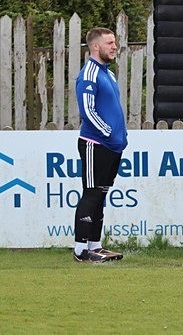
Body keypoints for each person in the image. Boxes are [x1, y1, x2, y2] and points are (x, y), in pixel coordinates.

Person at [73, 27, 126, 262]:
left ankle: (96, 245)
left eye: (114, 42)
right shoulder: (89, 74)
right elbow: (87, 110)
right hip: (96, 144)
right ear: (96, 46)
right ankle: (81, 250)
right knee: (92, 194)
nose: (114, 46)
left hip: (112, 146)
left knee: (101, 195)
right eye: (110, 43)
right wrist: (107, 132)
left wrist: (119, 136)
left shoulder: (108, 73)